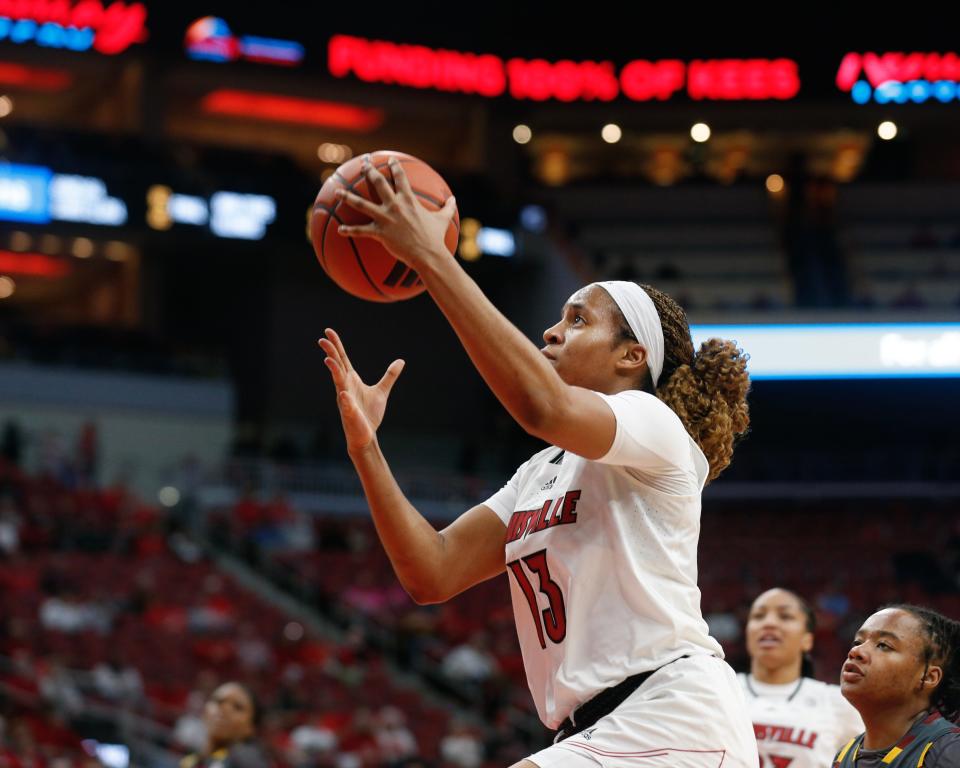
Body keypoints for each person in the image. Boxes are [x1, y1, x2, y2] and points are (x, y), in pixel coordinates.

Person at [320, 156, 755, 767]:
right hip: (597, 731)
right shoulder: (543, 471)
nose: (552, 333)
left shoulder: (658, 427)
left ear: (632, 356)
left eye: (577, 320)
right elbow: (432, 572)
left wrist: (432, 258)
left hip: (671, 711)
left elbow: (537, 404)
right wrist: (366, 449)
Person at [740, 588, 863, 768]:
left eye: (785, 616)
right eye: (758, 616)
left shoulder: (839, 703)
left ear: (807, 640)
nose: (769, 623)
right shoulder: (721, 691)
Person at [834, 605, 960, 768]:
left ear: (928, 677)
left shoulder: (948, 751)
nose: (856, 651)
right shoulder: (844, 755)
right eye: (858, 641)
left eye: (883, 645)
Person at [180, 682, 268, 768]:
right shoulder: (189, 761)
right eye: (218, 701)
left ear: (252, 728)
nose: (224, 710)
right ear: (204, 711)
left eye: (237, 707)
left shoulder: (248, 760)